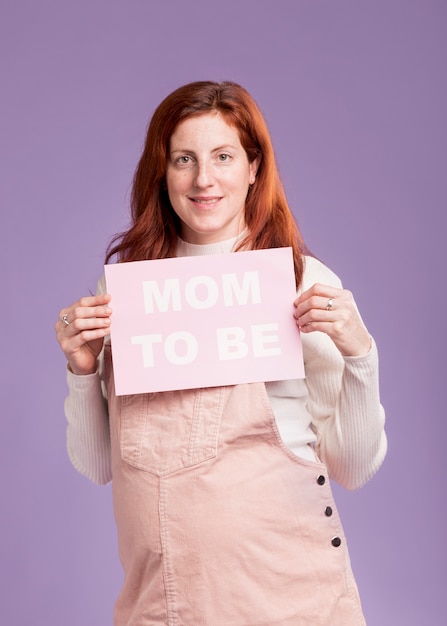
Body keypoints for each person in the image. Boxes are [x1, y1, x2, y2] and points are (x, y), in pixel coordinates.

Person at [55, 81, 387, 626]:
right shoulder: (129, 293)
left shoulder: (301, 283)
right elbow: (98, 466)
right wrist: (81, 371)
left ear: (254, 167)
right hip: (164, 597)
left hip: (289, 591)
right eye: (183, 159)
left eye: (223, 156)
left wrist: (360, 355)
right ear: (161, 172)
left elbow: (352, 467)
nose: (203, 179)